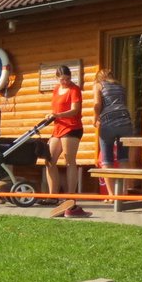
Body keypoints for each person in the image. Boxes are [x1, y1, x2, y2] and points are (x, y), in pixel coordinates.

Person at [46, 65, 89, 217]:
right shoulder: (56, 89)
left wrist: (57, 115)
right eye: (62, 79)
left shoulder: (74, 90)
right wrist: (52, 115)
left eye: (68, 79)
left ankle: (70, 197)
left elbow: (75, 110)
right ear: (57, 78)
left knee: (69, 160)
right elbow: (55, 108)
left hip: (72, 127)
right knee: (49, 160)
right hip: (58, 127)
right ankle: (52, 196)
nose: (65, 82)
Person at [93, 68, 136, 196]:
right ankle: (123, 193)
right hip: (125, 123)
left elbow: (97, 104)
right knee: (124, 158)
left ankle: (112, 195)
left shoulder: (98, 85)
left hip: (108, 123)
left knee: (106, 160)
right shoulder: (120, 86)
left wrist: (95, 118)